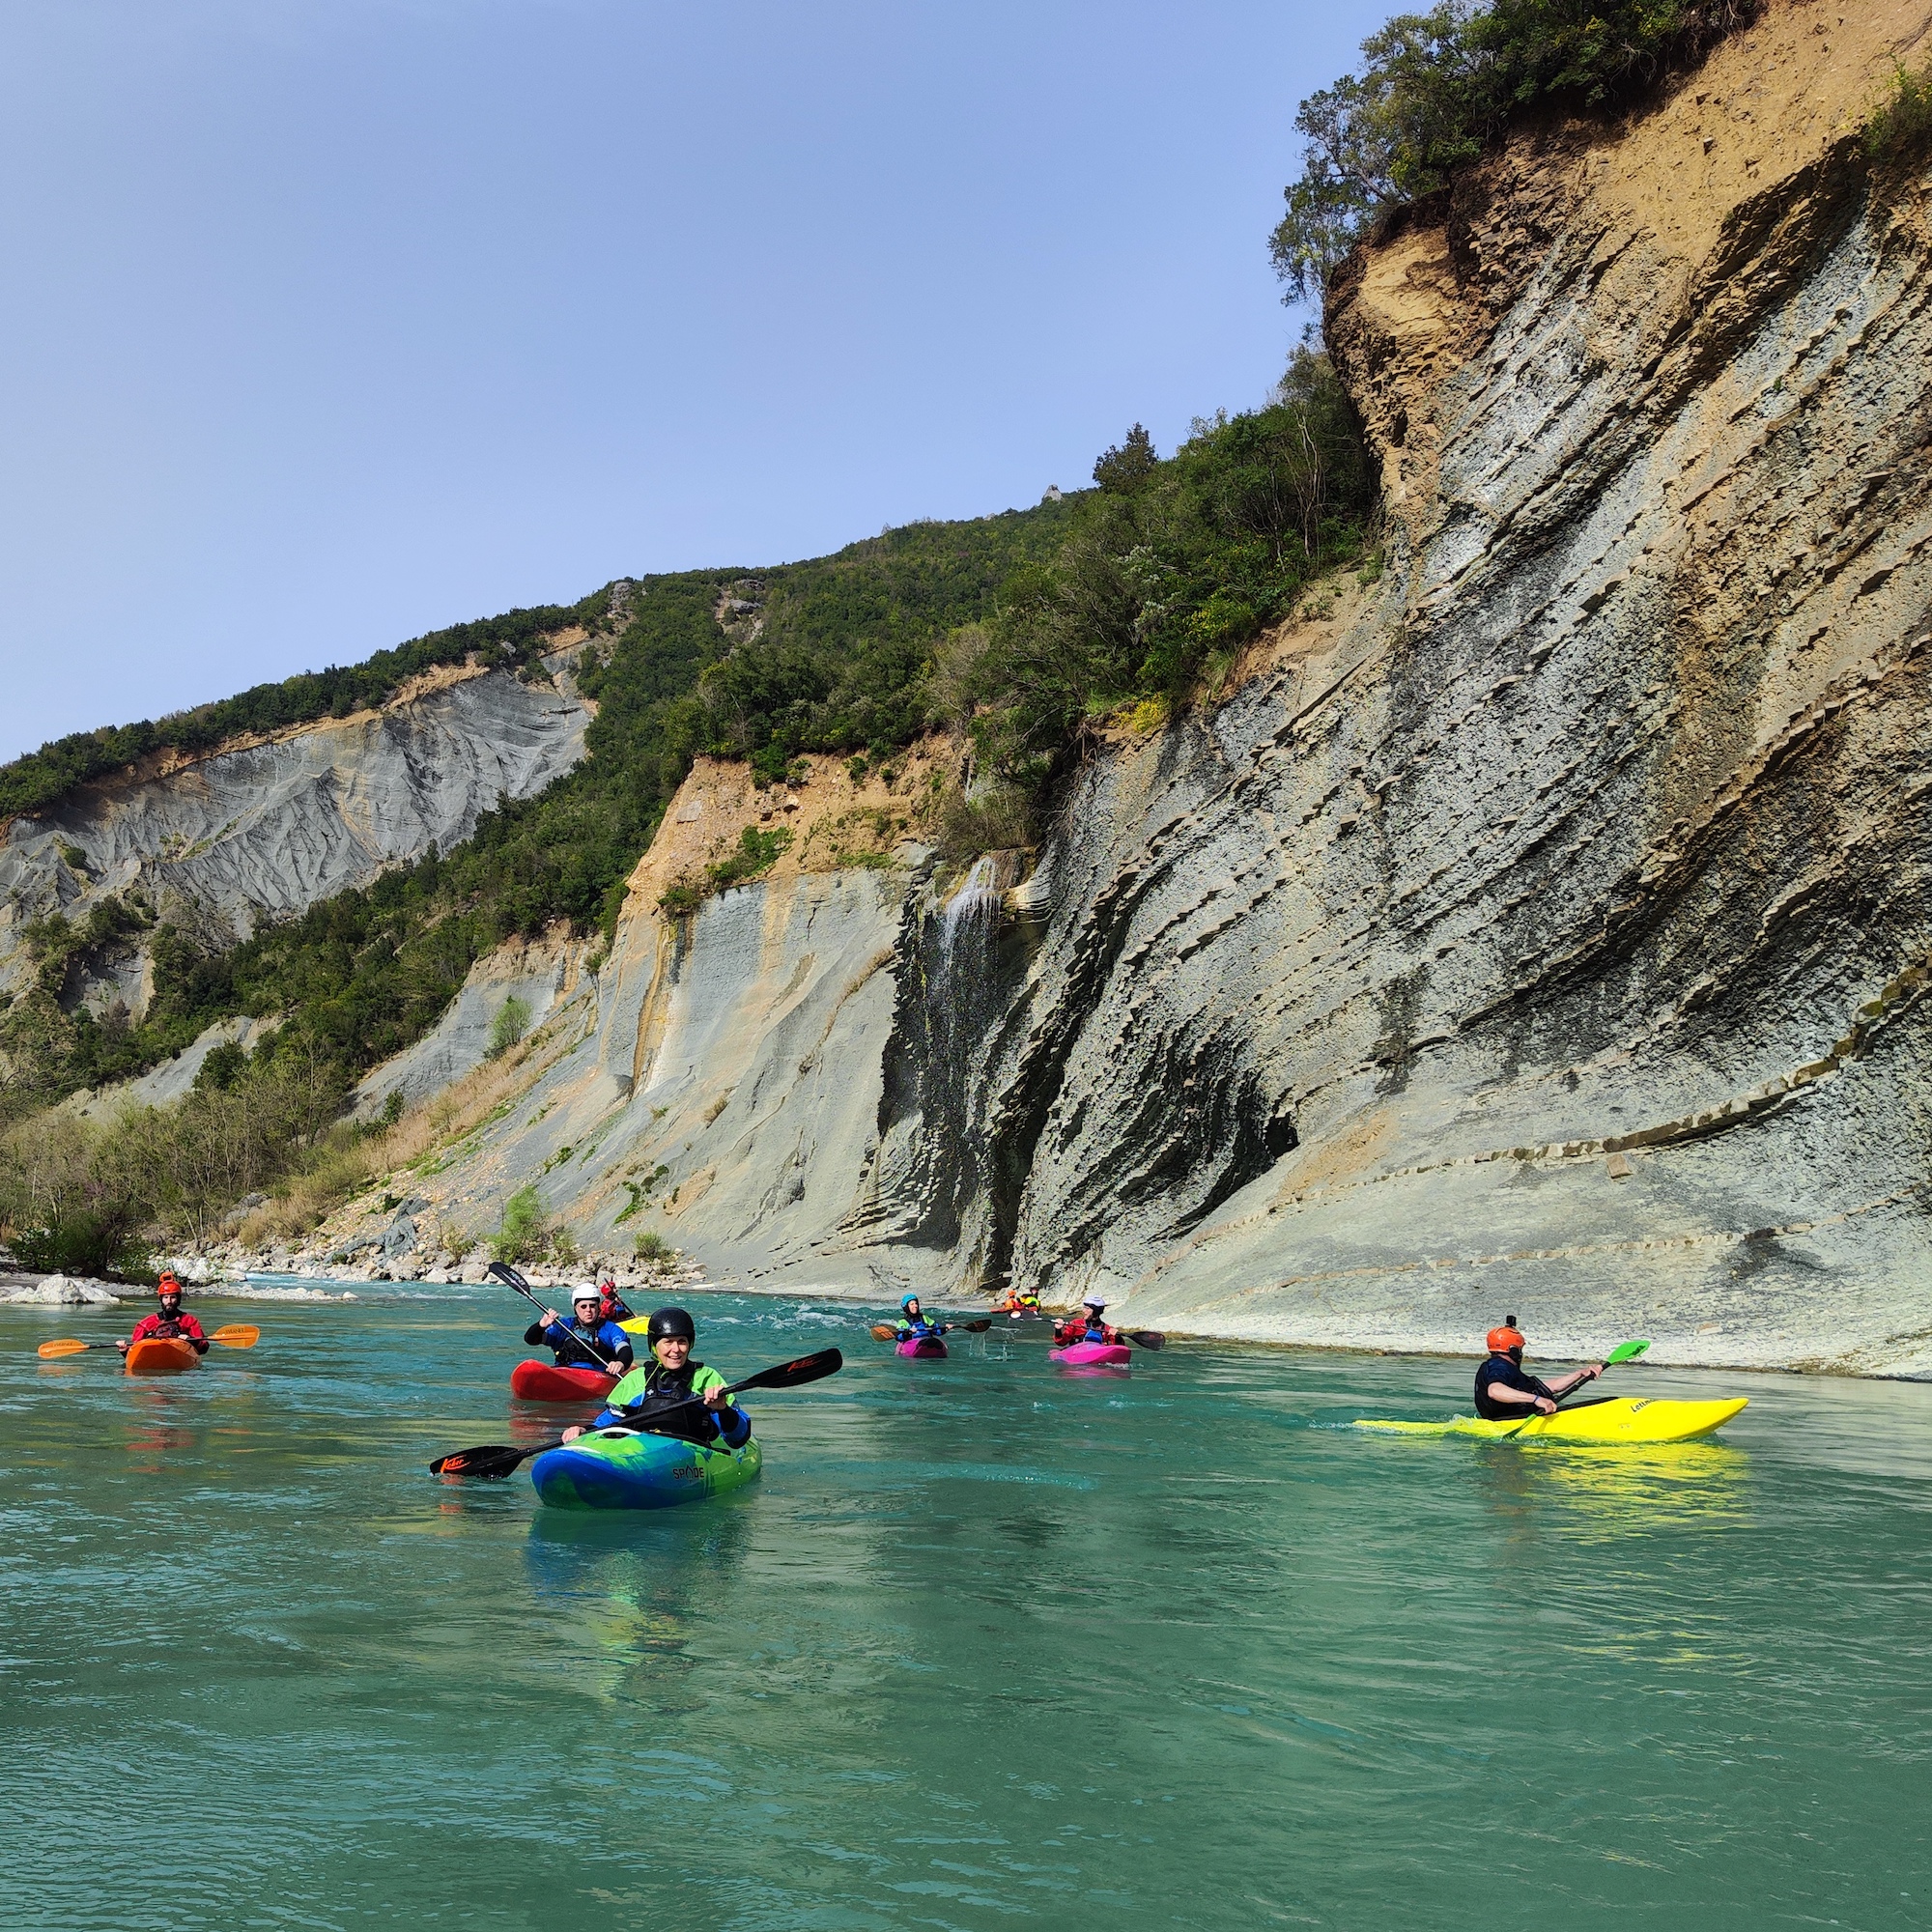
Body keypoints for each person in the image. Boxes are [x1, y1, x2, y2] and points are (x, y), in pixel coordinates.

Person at [565, 1306, 750, 1449]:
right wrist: (584, 1430)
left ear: (690, 1344)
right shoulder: (636, 1380)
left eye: (682, 1342)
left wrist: (723, 1409)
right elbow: (607, 1424)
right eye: (668, 1342)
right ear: (654, 1346)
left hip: (692, 1454)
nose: (676, 1350)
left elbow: (738, 1439)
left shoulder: (707, 1378)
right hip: (643, 1452)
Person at [1474, 1318, 1603, 1420]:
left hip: (1514, 1417)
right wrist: (1536, 1400)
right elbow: (1495, 1391)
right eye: (1520, 1349)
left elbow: (1547, 1388)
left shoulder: (1502, 1368)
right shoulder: (1499, 1366)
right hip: (1511, 1420)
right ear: (1513, 1350)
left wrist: (1580, 1374)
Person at [524, 1286, 634, 1377]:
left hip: (598, 1375)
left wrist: (620, 1363)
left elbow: (625, 1350)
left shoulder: (610, 1328)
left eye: (592, 1306)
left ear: (599, 1307)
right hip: (564, 1373)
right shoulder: (564, 1325)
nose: (588, 1310)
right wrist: (541, 1325)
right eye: (583, 1306)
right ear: (575, 1308)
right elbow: (531, 1340)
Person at [116, 1273, 210, 1359]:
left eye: (172, 1297)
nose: (169, 1301)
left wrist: (191, 1340)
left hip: (180, 1358)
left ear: (178, 1299)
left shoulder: (190, 1321)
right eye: (165, 1297)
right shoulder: (146, 1324)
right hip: (153, 1357)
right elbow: (134, 1352)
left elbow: (203, 1348)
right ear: (161, 1299)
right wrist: (124, 1350)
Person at [1052, 1294, 1121, 1348]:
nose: (1083, 1311)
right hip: (1076, 1354)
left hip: (1095, 1354)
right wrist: (1058, 1330)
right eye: (1084, 1308)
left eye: (1087, 1308)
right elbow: (1061, 1342)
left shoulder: (1106, 1328)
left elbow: (1117, 1348)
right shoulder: (1076, 1324)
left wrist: (1117, 1337)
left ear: (1096, 1311)